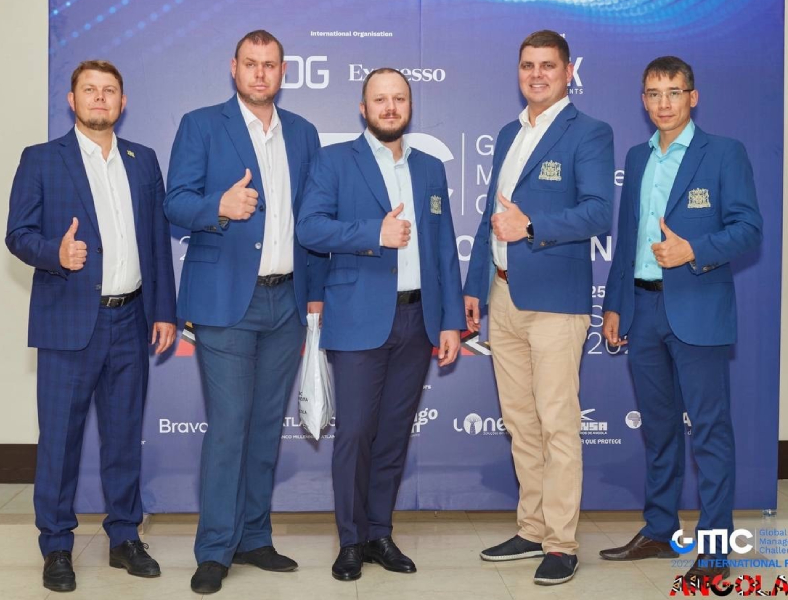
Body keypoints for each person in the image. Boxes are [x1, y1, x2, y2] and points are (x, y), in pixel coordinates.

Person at [5, 60, 177, 593]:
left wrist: (164, 310)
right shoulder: (41, 159)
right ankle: (57, 545)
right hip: (69, 322)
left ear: (123, 102)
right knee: (60, 440)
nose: (100, 98)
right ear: (72, 100)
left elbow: (157, 241)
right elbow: (17, 233)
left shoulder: (143, 160)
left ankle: (124, 537)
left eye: (109, 91)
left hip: (131, 318)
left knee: (124, 438)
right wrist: (54, 254)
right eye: (90, 90)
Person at [164, 30, 325, 594]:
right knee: (230, 426)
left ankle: (254, 537)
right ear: (233, 68)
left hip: (287, 299)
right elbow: (175, 202)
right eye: (251, 64)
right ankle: (215, 548)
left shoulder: (303, 133)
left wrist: (316, 291)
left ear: (284, 72)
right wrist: (220, 206)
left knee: (263, 426)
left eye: (270, 65)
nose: (260, 73)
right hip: (226, 299)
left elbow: (313, 218)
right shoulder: (201, 125)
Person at [296, 68, 464, 582]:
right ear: (363, 108)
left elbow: (443, 247)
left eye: (399, 99)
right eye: (380, 100)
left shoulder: (430, 168)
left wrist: (451, 321)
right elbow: (310, 227)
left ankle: (378, 533)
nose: (390, 108)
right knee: (355, 434)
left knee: (393, 434)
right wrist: (376, 233)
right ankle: (350, 541)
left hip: (418, 319)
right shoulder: (333, 161)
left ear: (409, 106)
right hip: (357, 317)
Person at [599, 56, 762, 583]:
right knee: (659, 430)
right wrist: (615, 304)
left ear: (693, 97)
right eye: (653, 93)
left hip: (698, 310)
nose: (663, 103)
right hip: (642, 309)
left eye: (673, 92)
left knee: (710, 431)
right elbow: (627, 239)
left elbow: (749, 228)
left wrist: (694, 249)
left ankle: (714, 552)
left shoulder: (724, 153)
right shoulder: (637, 157)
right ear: (643, 100)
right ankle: (659, 530)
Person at [462, 30, 614, 585]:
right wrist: (475, 286)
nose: (537, 74)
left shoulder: (589, 132)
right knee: (520, 423)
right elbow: (490, 217)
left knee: (557, 424)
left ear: (568, 71)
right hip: (503, 295)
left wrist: (532, 226)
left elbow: (598, 212)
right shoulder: (510, 133)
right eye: (528, 65)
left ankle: (561, 541)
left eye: (548, 65)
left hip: (555, 301)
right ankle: (531, 528)